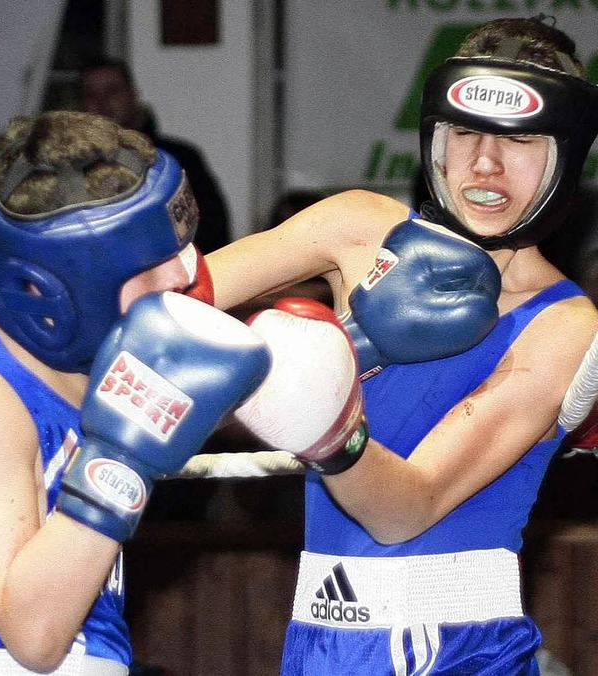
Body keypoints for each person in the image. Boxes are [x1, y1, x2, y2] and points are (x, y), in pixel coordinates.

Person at [205, 16, 598, 674]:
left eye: (521, 138)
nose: (485, 163)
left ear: (565, 153)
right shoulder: (357, 227)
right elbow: (166, 306)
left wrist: (327, 421)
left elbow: (408, 508)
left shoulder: (565, 326)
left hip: (458, 650)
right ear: (435, 140)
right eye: (465, 132)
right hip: (318, 639)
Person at [0, 110, 270, 675]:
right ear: (62, 284)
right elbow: (32, 637)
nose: (184, 271)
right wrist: (121, 459)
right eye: (152, 259)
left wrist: (353, 354)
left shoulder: (87, 365)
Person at [79, 57, 231, 255]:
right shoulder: (73, 166)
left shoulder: (176, 158)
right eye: (91, 94)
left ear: (133, 96)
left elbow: (211, 229)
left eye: (112, 91)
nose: (102, 101)